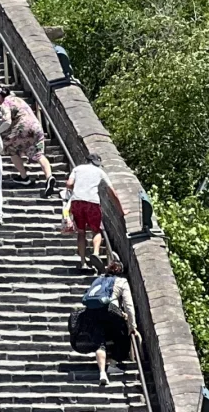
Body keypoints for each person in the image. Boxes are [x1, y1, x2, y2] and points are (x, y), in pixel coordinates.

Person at [70, 257, 140, 389]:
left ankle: (102, 373)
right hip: (110, 311)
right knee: (123, 336)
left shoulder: (99, 279)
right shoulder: (122, 281)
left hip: (91, 312)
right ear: (121, 271)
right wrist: (132, 326)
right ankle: (112, 364)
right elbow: (129, 305)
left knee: (99, 343)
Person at [0, 87, 55, 195]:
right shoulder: (19, 100)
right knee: (39, 154)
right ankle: (49, 177)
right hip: (36, 128)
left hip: (22, 128)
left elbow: (7, 121)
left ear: (0, 96)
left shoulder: (5, 103)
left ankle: (24, 177)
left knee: (9, 148)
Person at [65, 153, 110, 271]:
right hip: (92, 202)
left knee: (81, 232)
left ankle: (83, 262)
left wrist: (76, 188)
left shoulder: (77, 169)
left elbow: (69, 184)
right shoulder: (100, 172)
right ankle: (95, 253)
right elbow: (111, 191)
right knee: (96, 230)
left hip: (77, 201)